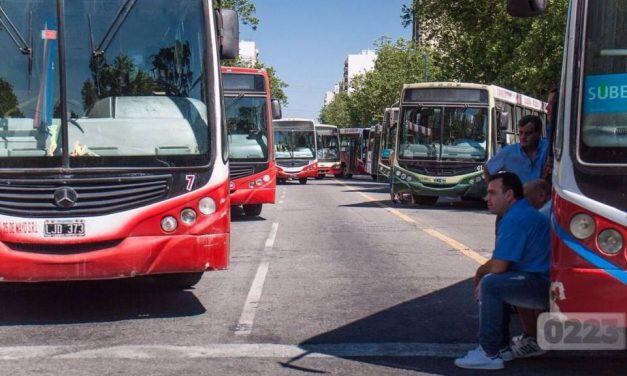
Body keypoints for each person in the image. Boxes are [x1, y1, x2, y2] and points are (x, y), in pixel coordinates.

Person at [454, 172, 550, 370]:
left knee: (491, 284)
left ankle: (489, 353)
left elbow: (499, 266)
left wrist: (480, 273)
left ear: (509, 195)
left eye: (492, 193)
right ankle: (503, 348)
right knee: (498, 281)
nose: (486, 198)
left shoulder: (515, 219)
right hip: (540, 281)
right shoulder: (520, 212)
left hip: (543, 286)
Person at [483, 115, 551, 184]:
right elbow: (487, 170)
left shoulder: (549, 149)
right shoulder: (509, 152)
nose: (523, 137)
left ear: (539, 133)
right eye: (520, 133)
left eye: (528, 133)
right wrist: (494, 191)